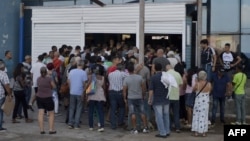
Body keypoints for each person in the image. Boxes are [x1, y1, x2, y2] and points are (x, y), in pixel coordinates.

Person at [123, 63, 149, 134]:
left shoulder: (126, 79)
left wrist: (124, 98)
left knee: (132, 113)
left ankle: (135, 129)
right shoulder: (140, 77)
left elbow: (124, 90)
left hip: (131, 98)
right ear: (134, 69)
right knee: (142, 112)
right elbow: (143, 88)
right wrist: (143, 95)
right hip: (139, 97)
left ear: (128, 71)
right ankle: (145, 128)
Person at [148, 63, 170, 138]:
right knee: (166, 115)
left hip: (157, 99)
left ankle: (162, 132)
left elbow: (151, 90)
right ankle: (167, 131)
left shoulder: (153, 78)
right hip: (166, 98)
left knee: (159, 116)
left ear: (155, 69)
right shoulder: (166, 76)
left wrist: (150, 99)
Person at [68, 60, 88, 129]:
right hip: (79, 92)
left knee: (71, 108)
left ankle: (70, 123)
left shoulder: (71, 71)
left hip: (72, 91)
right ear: (82, 65)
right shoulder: (83, 73)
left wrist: (71, 88)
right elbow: (84, 83)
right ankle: (76, 124)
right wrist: (84, 91)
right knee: (79, 108)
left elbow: (69, 81)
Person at [36, 67, 56, 134]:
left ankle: (41, 129)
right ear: (46, 72)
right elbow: (54, 86)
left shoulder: (38, 79)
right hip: (48, 97)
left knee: (41, 113)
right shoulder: (49, 79)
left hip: (39, 97)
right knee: (51, 113)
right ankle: (51, 129)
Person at [191, 71, 211, 137]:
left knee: (196, 116)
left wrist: (196, 82)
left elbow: (193, 90)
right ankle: (203, 132)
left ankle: (196, 132)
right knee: (204, 116)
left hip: (198, 102)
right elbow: (209, 91)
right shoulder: (209, 84)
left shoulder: (197, 84)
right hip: (205, 102)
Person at [108, 63, 127, 129]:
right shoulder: (123, 74)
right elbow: (128, 78)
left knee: (113, 108)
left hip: (111, 92)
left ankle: (113, 124)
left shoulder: (110, 74)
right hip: (120, 92)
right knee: (122, 107)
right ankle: (120, 122)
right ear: (122, 68)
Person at [87, 64, 106, 132]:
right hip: (100, 95)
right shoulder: (103, 77)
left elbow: (88, 84)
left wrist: (85, 92)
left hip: (92, 95)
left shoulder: (91, 76)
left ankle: (91, 126)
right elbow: (104, 87)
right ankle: (101, 126)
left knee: (91, 112)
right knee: (100, 111)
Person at [166, 62, 183, 133]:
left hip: (168, 96)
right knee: (176, 112)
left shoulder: (166, 74)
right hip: (176, 96)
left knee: (167, 112)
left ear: (166, 68)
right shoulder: (177, 74)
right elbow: (180, 84)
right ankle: (177, 127)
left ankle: (169, 127)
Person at [0, 61, 12, 131]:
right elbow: (7, 85)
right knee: (0, 111)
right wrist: (10, 95)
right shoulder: (3, 74)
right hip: (1, 94)